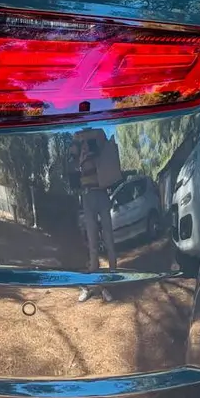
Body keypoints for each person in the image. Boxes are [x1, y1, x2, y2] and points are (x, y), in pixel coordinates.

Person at [74, 128, 120, 302]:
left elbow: (101, 137)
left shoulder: (97, 136)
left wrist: (86, 139)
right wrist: (80, 148)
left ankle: (111, 283)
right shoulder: (78, 145)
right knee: (93, 243)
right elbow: (73, 165)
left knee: (109, 241)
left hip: (102, 193)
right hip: (87, 195)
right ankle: (96, 286)